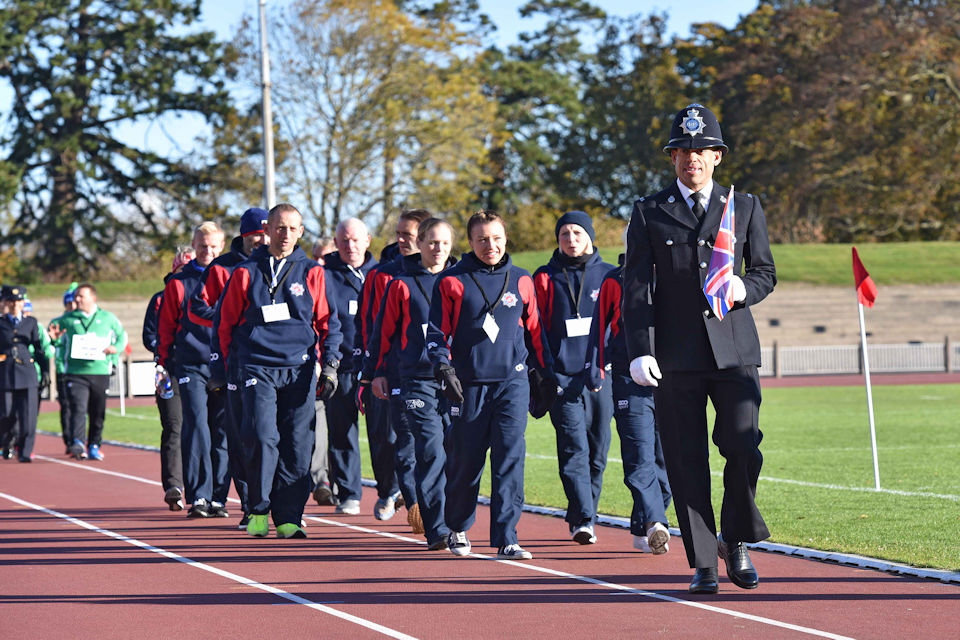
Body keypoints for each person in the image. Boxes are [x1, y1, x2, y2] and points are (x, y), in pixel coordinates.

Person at [622, 103, 777, 594]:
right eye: (683, 150)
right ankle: (704, 563)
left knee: (743, 448)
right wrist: (640, 349)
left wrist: (742, 290)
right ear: (673, 158)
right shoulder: (649, 211)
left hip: (734, 352)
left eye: (702, 150)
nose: (693, 158)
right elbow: (636, 290)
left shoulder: (744, 206)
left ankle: (736, 539)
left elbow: (765, 273)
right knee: (686, 461)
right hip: (675, 356)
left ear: (717, 156)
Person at [426, 210, 555, 560]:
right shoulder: (453, 281)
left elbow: (536, 332)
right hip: (466, 387)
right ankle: (457, 526)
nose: (490, 245)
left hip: (512, 384)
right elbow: (436, 333)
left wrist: (545, 374)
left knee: (510, 459)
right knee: (465, 463)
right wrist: (444, 367)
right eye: (482, 239)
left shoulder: (522, 279)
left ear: (506, 238)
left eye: (496, 238)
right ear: (470, 242)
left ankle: (507, 536)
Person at [217, 203, 342, 539]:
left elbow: (329, 322)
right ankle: (257, 508)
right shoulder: (245, 272)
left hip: (299, 369)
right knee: (260, 437)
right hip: (256, 366)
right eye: (279, 227)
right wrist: (233, 367)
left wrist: (330, 366)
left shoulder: (313, 272)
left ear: (301, 232)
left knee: (298, 444)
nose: (285, 234)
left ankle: (289, 516)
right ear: (267, 230)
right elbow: (225, 322)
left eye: (292, 228)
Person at [363, 218, 456, 549]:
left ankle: (453, 518)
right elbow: (382, 333)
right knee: (427, 449)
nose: (438, 249)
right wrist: (374, 373)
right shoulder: (400, 284)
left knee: (455, 450)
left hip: (455, 380)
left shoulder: (460, 281)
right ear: (421, 243)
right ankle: (437, 526)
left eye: (444, 243)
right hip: (414, 378)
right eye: (432, 242)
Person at [533, 211, 615, 545]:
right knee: (573, 448)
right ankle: (584, 518)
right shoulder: (545, 277)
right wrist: (546, 373)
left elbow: (617, 324)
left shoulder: (609, 275)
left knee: (598, 450)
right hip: (562, 380)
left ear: (590, 236)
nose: (570, 239)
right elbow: (534, 327)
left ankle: (584, 513)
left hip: (601, 376)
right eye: (564, 233)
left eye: (577, 232)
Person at [585, 246, 672, 554]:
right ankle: (654, 523)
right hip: (629, 379)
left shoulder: (675, 275)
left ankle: (642, 525)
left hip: (672, 380)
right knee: (639, 453)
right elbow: (598, 329)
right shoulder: (614, 280)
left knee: (668, 459)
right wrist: (595, 368)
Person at [190, 208, 270, 527]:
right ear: (244, 235)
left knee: (273, 435)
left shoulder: (279, 266)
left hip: (275, 362)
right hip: (237, 362)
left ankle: (280, 504)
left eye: (265, 234)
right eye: (255, 235)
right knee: (242, 436)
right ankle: (250, 505)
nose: (261, 240)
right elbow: (198, 306)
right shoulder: (223, 268)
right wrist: (229, 319)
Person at [357, 209, 430, 530]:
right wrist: (375, 371)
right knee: (397, 440)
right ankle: (406, 499)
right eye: (398, 233)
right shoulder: (381, 276)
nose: (400, 240)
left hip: (438, 375)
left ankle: (425, 501)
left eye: (408, 234)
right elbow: (372, 327)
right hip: (397, 373)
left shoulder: (450, 272)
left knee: (435, 444)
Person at [156, 221, 228, 518]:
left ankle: (219, 497)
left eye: (212, 246)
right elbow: (166, 327)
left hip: (224, 364)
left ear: (221, 246)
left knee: (222, 431)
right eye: (201, 246)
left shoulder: (232, 275)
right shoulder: (179, 282)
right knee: (196, 425)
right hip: (190, 364)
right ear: (194, 246)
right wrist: (163, 363)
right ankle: (199, 495)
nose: (207, 251)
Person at [321, 219, 379, 517]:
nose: (350, 246)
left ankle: (390, 489)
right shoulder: (325, 275)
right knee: (342, 432)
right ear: (336, 242)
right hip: (342, 366)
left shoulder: (382, 273)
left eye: (355, 239)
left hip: (376, 366)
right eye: (344, 240)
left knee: (386, 433)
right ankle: (348, 493)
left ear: (368, 240)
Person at [48, 283, 127, 461]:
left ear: (93, 298)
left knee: (98, 411)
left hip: (100, 371)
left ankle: (94, 444)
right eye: (76, 296)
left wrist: (116, 347)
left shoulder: (108, 318)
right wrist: (52, 339)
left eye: (81, 296)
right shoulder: (67, 319)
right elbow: (52, 334)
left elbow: (122, 336)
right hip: (76, 373)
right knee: (78, 407)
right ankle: (77, 442)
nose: (76, 299)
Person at [143, 247, 195, 510]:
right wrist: (167, 346)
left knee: (202, 428)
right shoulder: (159, 299)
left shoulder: (206, 292)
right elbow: (149, 336)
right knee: (174, 425)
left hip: (198, 369)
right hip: (169, 370)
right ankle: (174, 484)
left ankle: (201, 488)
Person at [0, 285, 49, 462]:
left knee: (28, 416)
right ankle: (7, 442)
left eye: (19, 301)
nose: (15, 305)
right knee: (6, 414)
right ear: (6, 303)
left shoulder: (31, 323)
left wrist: (44, 370)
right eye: (12, 301)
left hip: (27, 373)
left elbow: (38, 349)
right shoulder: (1, 323)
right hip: (5, 373)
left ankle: (26, 451)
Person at [309, 236, 336, 506]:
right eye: (317, 256)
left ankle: (335, 481)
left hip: (342, 365)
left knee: (338, 429)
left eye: (325, 257)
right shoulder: (308, 280)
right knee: (317, 426)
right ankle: (320, 480)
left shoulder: (336, 283)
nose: (320, 262)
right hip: (311, 365)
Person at [50, 282, 79, 453]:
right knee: (67, 406)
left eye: (73, 303)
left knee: (81, 407)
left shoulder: (83, 321)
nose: (72, 306)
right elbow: (52, 345)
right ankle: (69, 439)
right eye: (68, 303)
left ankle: (80, 438)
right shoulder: (58, 322)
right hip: (64, 369)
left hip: (81, 370)